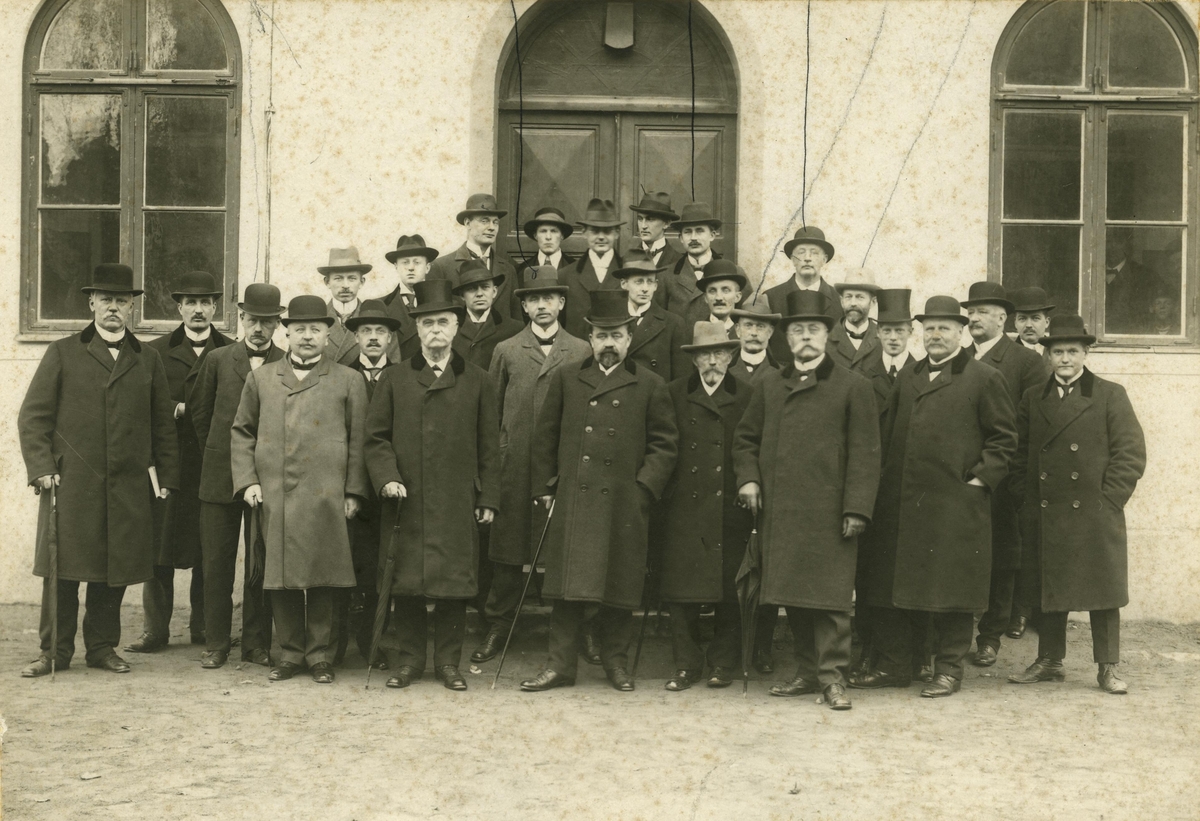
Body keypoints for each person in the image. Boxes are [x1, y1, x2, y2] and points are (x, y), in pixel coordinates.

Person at [851, 295, 1017, 698]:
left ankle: (948, 669)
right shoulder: (909, 376)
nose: (936, 335)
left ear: (961, 333)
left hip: (953, 505)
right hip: (902, 503)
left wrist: (978, 481)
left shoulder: (983, 377)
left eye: (945, 328)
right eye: (930, 329)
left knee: (952, 591)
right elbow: (887, 432)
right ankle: (894, 666)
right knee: (892, 586)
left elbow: (1004, 440)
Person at [19, 263, 179, 677]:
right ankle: (54, 652)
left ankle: (102, 648)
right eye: (106, 299)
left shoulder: (147, 359)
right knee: (63, 571)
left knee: (114, 571)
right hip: (73, 484)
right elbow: (33, 417)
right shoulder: (63, 352)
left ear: (131, 308)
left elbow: (163, 425)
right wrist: (42, 468)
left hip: (127, 486)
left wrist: (166, 478)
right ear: (91, 302)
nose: (113, 308)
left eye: (121, 301)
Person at [521, 290, 678, 692]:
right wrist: (546, 488)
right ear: (590, 338)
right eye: (602, 336)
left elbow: (664, 445)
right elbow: (544, 438)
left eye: (617, 336)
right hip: (574, 499)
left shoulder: (650, 384)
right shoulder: (567, 377)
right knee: (566, 589)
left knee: (619, 586)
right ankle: (560, 666)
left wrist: (643, 489)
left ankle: (616, 664)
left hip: (624, 502)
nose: (609, 344)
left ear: (629, 339)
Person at [734, 291, 881, 711]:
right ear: (787, 338)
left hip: (831, 512)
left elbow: (866, 454)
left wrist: (856, 508)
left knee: (831, 599)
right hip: (782, 511)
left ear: (826, 335)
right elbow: (745, 439)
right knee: (792, 593)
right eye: (797, 330)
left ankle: (833, 678)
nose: (805, 337)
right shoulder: (769, 384)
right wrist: (749, 479)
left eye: (813, 330)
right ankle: (806, 671)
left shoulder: (854, 386)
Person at [364, 280, 501, 691]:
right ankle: (409, 662)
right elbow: (375, 438)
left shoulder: (478, 380)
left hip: (457, 499)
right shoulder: (395, 378)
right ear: (417, 329)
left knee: (453, 585)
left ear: (456, 327)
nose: (435, 330)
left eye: (443, 322)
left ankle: (447, 663)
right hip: (407, 498)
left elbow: (490, 445)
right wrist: (388, 477)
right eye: (427, 323)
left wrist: (488, 496)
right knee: (406, 582)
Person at [231, 296, 370, 685]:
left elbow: (359, 440)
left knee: (324, 576)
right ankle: (291, 653)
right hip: (277, 495)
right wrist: (248, 481)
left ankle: (321, 654)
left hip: (328, 496)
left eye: (315, 329)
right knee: (281, 576)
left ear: (328, 335)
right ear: (286, 333)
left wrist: (353, 491)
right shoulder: (261, 379)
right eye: (300, 329)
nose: (307, 336)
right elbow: (241, 432)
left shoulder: (348, 380)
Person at [1006, 314, 1146, 695]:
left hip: (1095, 513)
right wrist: (1024, 499)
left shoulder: (1109, 394)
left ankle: (1108, 666)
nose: (1065, 359)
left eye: (1072, 351)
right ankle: (1050, 660)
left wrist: (1109, 500)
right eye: (1057, 352)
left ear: (1085, 353)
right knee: (1049, 587)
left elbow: (1131, 453)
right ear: (1048, 356)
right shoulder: (1033, 397)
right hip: (1046, 510)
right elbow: (1017, 453)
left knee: (1104, 593)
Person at [471, 266, 592, 664]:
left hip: (562, 466)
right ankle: (499, 625)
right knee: (508, 549)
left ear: (562, 302)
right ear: (523, 306)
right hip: (515, 466)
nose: (542, 305)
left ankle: (580, 630)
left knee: (567, 550)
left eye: (549, 298)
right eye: (533, 299)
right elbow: (490, 414)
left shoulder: (581, 350)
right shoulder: (506, 350)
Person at [130, 270, 231, 654]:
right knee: (161, 548)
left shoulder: (230, 351)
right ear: (179, 308)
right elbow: (142, 403)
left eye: (206, 302)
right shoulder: (155, 350)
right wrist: (177, 409)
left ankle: (203, 627)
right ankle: (155, 630)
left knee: (209, 548)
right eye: (191, 303)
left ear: (215, 308)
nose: (198, 310)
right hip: (169, 464)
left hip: (211, 464)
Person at [189, 283, 285, 669]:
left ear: (278, 323)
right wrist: (220, 454)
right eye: (252, 320)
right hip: (220, 478)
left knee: (260, 563)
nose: (259, 328)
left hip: (268, 480)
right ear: (241, 318)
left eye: (267, 321)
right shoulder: (217, 359)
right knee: (216, 563)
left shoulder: (287, 362)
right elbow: (200, 413)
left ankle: (256, 644)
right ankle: (216, 643)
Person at [960, 282, 1051, 669]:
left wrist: (1014, 479)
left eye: (983, 312)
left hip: (1004, 477)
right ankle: (953, 636)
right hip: (962, 476)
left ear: (1002, 319)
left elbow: (1033, 425)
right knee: (961, 556)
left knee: (1001, 558)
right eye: (971, 312)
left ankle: (990, 637)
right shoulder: (959, 357)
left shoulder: (1026, 362)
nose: (974, 318)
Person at [660, 322, 753, 691]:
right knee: (681, 589)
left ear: (730, 357)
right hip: (685, 505)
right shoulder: (673, 393)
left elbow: (751, 445)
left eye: (719, 353)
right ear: (694, 359)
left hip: (729, 506)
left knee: (729, 588)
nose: (712, 361)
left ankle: (722, 663)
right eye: (704, 355)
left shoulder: (747, 394)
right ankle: (686, 665)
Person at [337, 300, 403, 664]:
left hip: (388, 489)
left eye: (381, 332)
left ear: (391, 338)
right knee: (347, 564)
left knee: (382, 568)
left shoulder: (403, 377)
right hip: (349, 488)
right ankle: (338, 644)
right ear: (356, 337)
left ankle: (374, 643)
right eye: (366, 331)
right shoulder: (341, 375)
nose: (374, 338)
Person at [429, 193, 518, 318]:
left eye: (495, 222)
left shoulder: (509, 269)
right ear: (467, 223)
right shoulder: (441, 267)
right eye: (484, 221)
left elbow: (516, 320)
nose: (492, 228)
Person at [764, 226, 844, 363]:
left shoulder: (839, 300)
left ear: (824, 259)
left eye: (814, 253)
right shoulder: (771, 298)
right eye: (801, 253)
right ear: (793, 259)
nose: (807, 258)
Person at [617, 249, 691, 384]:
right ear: (624, 284)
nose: (645, 288)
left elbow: (680, 381)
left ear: (656, 285)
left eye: (650, 282)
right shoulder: (610, 319)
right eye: (639, 282)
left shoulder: (673, 323)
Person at [560, 197, 626, 338]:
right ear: (584, 232)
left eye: (607, 231)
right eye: (595, 231)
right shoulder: (566, 275)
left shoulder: (628, 273)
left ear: (617, 233)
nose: (601, 237)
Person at [451, 259, 524, 370]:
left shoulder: (514, 329)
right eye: (471, 289)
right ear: (462, 296)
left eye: (485, 287)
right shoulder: (450, 330)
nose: (479, 294)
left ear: (494, 292)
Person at [857, 288, 920, 413]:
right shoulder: (866, 378)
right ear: (878, 332)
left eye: (899, 331)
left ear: (910, 332)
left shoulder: (921, 374)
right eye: (887, 331)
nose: (893, 337)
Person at [662, 203, 728, 321]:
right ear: (681, 238)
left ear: (712, 235)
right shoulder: (666, 276)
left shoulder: (733, 273)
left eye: (699, 231)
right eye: (687, 232)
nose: (693, 237)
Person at [379, 234, 439, 361]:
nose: (411, 268)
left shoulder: (441, 304)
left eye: (417, 262)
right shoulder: (381, 306)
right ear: (396, 266)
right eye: (405, 262)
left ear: (427, 267)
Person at [318, 246, 373, 365]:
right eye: (338, 279)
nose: (345, 285)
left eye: (352, 278)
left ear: (361, 282)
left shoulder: (376, 319)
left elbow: (392, 368)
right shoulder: (316, 319)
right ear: (327, 282)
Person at [826, 269, 880, 371]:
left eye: (860, 297)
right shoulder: (826, 341)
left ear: (873, 302)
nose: (853, 303)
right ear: (841, 301)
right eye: (848, 297)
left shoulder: (883, 339)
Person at [727, 299, 782, 385]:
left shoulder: (782, 374)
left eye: (760, 326)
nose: (754, 333)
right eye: (748, 325)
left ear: (770, 332)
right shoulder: (724, 370)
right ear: (738, 330)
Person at [629, 191, 684, 271]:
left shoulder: (680, 261)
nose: (643, 226)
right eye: (640, 219)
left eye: (650, 219)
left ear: (666, 223)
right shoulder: (627, 260)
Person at [515, 206, 577, 277]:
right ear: (535, 235)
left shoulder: (575, 268)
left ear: (562, 235)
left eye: (554, 231)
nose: (548, 237)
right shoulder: (521, 270)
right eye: (543, 231)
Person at [696, 259, 748, 338]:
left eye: (726, 290)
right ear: (705, 297)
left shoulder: (747, 333)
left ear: (737, 297)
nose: (718, 298)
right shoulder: (697, 332)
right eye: (712, 291)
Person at [1010, 286, 1054, 358]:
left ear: (1047, 322)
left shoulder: (1056, 352)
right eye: (1022, 318)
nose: (1028, 325)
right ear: (1015, 323)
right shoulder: (1007, 355)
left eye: (1035, 318)